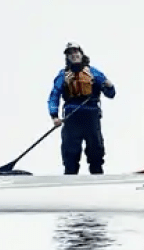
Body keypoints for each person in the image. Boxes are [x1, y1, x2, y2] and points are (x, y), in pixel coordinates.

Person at [48, 42, 116, 175]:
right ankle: (70, 177)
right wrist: (54, 116)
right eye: (70, 53)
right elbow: (54, 95)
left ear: (81, 53)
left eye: (75, 52)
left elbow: (111, 94)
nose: (73, 55)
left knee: (95, 149)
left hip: (91, 115)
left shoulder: (94, 72)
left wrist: (109, 86)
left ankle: (97, 175)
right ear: (67, 57)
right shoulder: (63, 75)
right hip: (71, 116)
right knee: (70, 151)